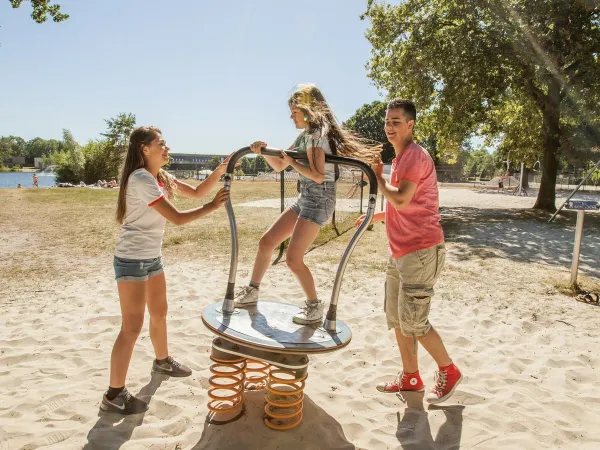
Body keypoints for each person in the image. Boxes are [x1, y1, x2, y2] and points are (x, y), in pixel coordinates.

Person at [102, 126, 230, 415]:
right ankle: (113, 394)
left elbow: (196, 192)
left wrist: (220, 169)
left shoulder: (161, 177)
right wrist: (212, 207)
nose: (167, 147)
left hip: (152, 257)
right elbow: (178, 218)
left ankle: (162, 360)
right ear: (145, 149)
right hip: (132, 259)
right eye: (161, 143)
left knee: (159, 312)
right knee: (131, 327)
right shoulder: (140, 179)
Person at [234, 84, 378, 324]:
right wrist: (264, 150)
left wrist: (291, 162)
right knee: (266, 242)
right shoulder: (305, 136)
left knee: (293, 258)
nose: (291, 116)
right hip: (307, 197)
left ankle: (314, 306)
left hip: (320, 197)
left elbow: (318, 175)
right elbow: (280, 165)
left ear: (306, 110)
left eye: (294, 112)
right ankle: (253, 291)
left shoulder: (316, 136)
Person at [356, 99, 462, 405]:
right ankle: (410, 377)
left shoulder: (414, 156)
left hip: (421, 251)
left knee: (414, 322)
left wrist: (377, 178)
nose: (389, 127)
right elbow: (405, 205)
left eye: (396, 122)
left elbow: (401, 199)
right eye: (387, 122)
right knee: (397, 319)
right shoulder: (401, 157)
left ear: (411, 125)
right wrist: (376, 217)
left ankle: (449, 370)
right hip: (400, 251)